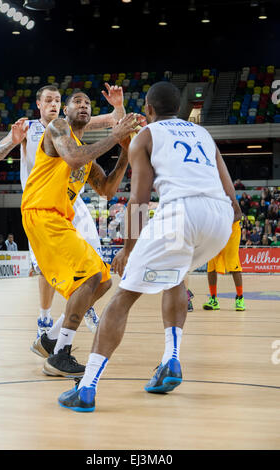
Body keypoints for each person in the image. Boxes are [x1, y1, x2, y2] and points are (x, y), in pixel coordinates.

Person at [57, 81, 239, 412]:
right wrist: (226, 221)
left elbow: (139, 199)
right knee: (176, 275)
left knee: (122, 298)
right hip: (220, 218)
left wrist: (128, 248)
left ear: (149, 110)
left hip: (181, 213)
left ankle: (86, 389)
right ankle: (171, 360)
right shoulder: (203, 135)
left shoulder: (147, 136)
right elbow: (232, 197)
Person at [0, 83, 126, 337]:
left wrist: (118, 106)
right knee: (45, 268)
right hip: (42, 201)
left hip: (71, 202)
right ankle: (45, 317)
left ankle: (80, 309)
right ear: (39, 104)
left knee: (97, 264)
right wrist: (12, 142)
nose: (53, 104)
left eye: (57, 100)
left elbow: (114, 121)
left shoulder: (71, 124)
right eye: (48, 100)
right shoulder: (30, 127)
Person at [22, 91, 138, 377]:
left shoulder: (86, 154)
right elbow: (72, 158)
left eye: (87, 103)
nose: (84, 105)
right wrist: (114, 136)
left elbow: (108, 190)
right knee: (89, 276)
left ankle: (51, 341)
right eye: (77, 102)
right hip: (41, 212)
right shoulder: (57, 129)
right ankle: (60, 355)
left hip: (59, 219)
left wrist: (124, 149)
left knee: (102, 280)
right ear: (66, 111)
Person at [202, 219, 246, 312]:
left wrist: (224, 221)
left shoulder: (232, 203)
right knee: (211, 264)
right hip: (216, 229)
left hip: (231, 229)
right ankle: (213, 299)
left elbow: (238, 214)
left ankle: (240, 298)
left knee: (233, 263)